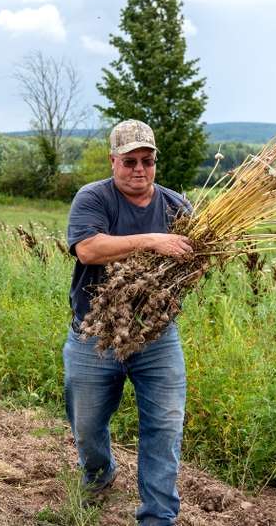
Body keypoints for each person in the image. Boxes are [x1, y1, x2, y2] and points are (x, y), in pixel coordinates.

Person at [64, 119, 192, 525]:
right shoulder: (93, 198)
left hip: (156, 336)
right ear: (113, 161)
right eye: (130, 161)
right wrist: (152, 240)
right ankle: (99, 475)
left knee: (165, 426)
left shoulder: (177, 207)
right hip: (94, 332)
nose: (139, 169)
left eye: (147, 161)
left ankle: (157, 517)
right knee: (87, 425)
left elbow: (193, 262)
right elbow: (87, 249)